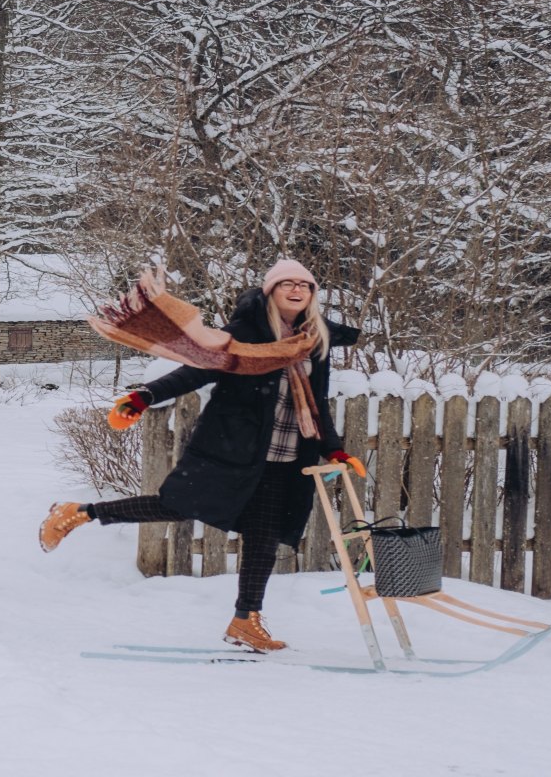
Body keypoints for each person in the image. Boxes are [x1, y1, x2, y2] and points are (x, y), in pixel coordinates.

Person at [38, 258, 364, 653]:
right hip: (234, 445)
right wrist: (146, 396)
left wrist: (335, 449)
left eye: (305, 285)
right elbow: (198, 369)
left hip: (289, 453)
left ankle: (246, 620)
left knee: (265, 536)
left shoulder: (315, 340)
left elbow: (317, 402)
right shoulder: (247, 332)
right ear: (271, 291)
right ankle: (80, 512)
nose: (297, 290)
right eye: (287, 284)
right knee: (177, 506)